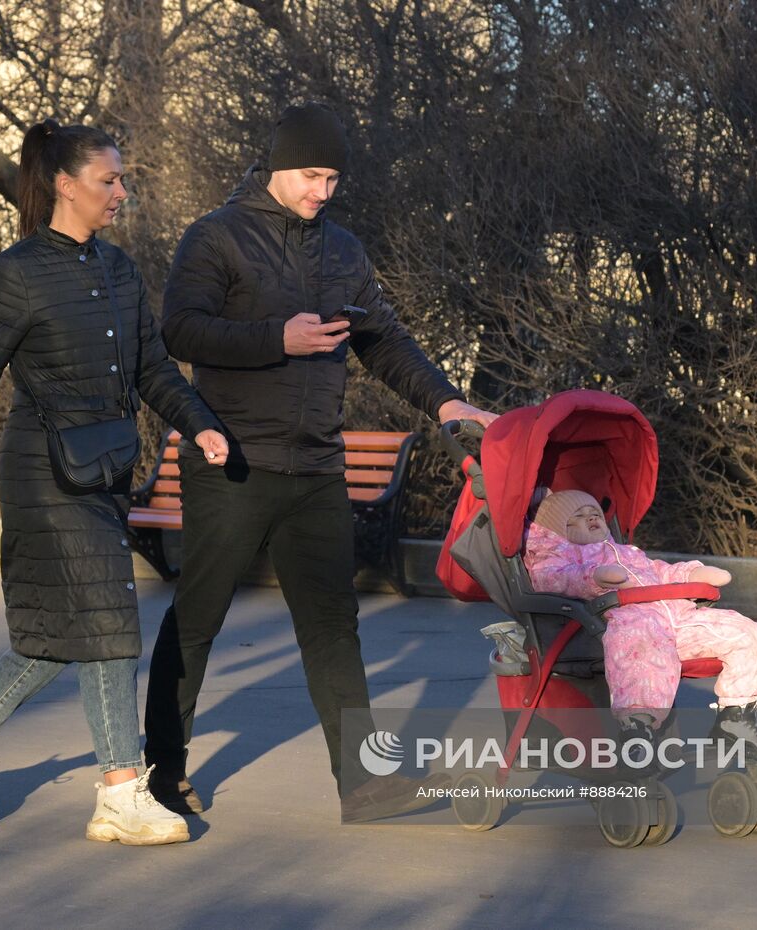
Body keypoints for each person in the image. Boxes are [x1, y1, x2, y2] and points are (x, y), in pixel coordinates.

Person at [142, 102, 498, 822]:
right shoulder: (216, 237)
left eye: (333, 178)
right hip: (233, 463)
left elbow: (385, 341)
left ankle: (364, 784)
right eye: (312, 175)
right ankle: (160, 776)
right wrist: (279, 336)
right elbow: (181, 330)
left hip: (315, 470)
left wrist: (447, 403)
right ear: (277, 165)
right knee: (197, 619)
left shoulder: (343, 251)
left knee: (334, 625)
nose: (323, 191)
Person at [0, 119, 232, 846]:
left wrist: (201, 423)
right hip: (42, 473)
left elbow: (152, 370)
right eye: (108, 179)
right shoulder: (15, 275)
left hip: (104, 470)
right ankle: (121, 792)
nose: (121, 191)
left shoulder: (117, 271)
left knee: (56, 638)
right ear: (65, 185)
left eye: (121, 178)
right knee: (110, 615)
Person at [522, 489, 757, 755]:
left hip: (676, 618)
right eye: (579, 516)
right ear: (557, 530)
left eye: (595, 513)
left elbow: (660, 570)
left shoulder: (626, 552)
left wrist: (693, 573)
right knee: (641, 646)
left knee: (743, 632)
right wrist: (594, 577)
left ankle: (734, 719)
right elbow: (552, 580)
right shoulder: (561, 559)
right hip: (627, 623)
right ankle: (637, 726)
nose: (591, 517)